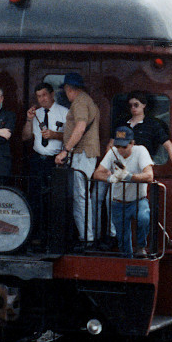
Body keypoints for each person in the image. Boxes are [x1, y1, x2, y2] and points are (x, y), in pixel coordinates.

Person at [53, 72, 101, 244]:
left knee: (80, 197)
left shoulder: (80, 102)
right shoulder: (88, 101)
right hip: (84, 154)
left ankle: (86, 238)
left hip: (82, 154)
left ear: (69, 89)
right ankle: (87, 235)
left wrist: (65, 150)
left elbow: (80, 128)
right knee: (82, 196)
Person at [94, 126, 154, 257]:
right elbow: (97, 174)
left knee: (143, 218)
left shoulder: (141, 151)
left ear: (132, 143)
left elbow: (149, 176)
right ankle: (128, 258)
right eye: (118, 146)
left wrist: (129, 177)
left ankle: (140, 246)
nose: (120, 150)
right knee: (123, 239)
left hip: (138, 200)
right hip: (118, 202)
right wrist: (110, 178)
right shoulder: (112, 152)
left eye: (124, 146)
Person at [110, 92, 172, 180]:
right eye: (130, 105)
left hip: (142, 166)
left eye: (136, 105)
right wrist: (109, 165)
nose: (133, 108)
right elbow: (111, 145)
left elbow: (169, 146)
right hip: (121, 164)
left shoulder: (153, 124)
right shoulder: (122, 124)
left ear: (144, 105)